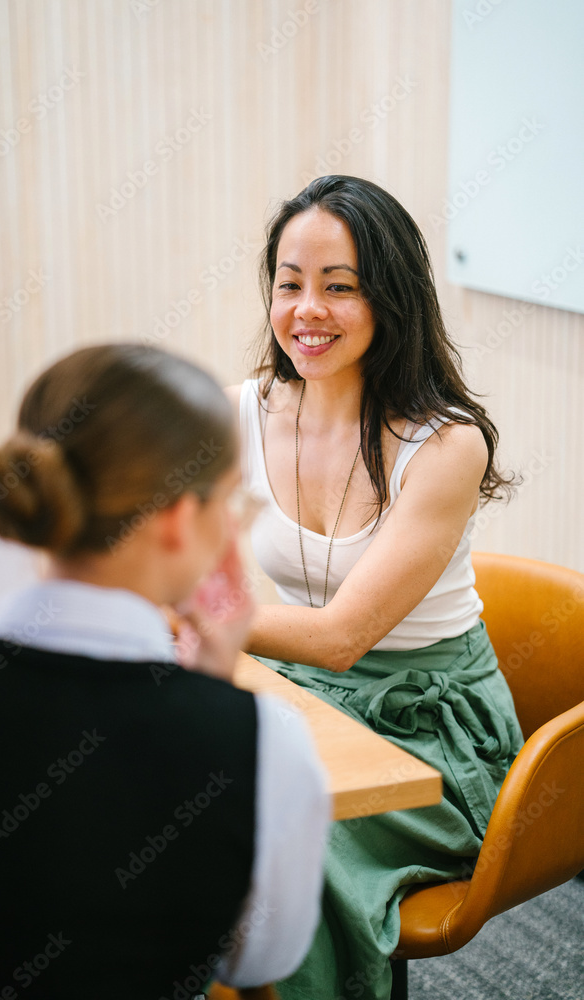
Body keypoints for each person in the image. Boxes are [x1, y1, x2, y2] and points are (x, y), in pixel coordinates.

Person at [0, 344, 330, 1000]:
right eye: (230, 501)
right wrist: (213, 705)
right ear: (175, 519)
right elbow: (255, 963)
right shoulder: (262, 742)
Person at [226, 175, 524, 1000]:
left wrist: (193, 611)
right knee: (170, 796)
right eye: (289, 284)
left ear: (389, 299)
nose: (305, 310)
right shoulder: (241, 411)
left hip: (430, 726)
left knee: (283, 853)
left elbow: (338, 637)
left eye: (338, 287)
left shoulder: (443, 444)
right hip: (309, 697)